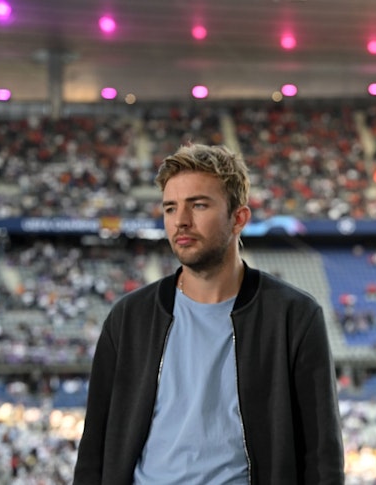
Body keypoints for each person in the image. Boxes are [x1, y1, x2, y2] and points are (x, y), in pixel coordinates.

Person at [73, 143, 345, 485]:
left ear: (238, 218)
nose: (181, 221)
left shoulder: (293, 317)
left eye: (198, 205)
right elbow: (94, 448)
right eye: (170, 208)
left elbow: (322, 457)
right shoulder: (129, 319)